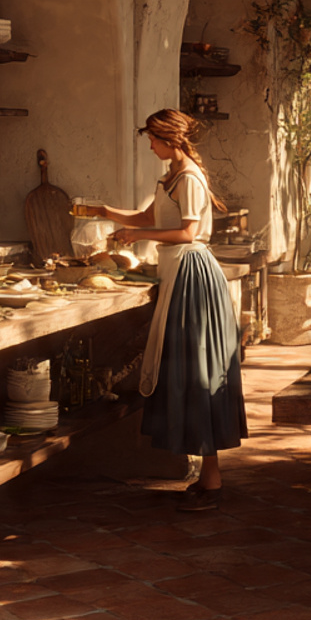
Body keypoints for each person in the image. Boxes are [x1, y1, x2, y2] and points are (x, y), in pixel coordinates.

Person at [88, 109, 247, 511]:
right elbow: (149, 217)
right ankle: (207, 477)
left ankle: (213, 482)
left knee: (197, 372)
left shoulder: (189, 177)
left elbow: (188, 231)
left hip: (193, 276)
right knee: (184, 372)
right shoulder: (171, 177)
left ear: (169, 139)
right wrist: (105, 212)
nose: (150, 146)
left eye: (153, 140)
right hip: (177, 273)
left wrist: (136, 235)